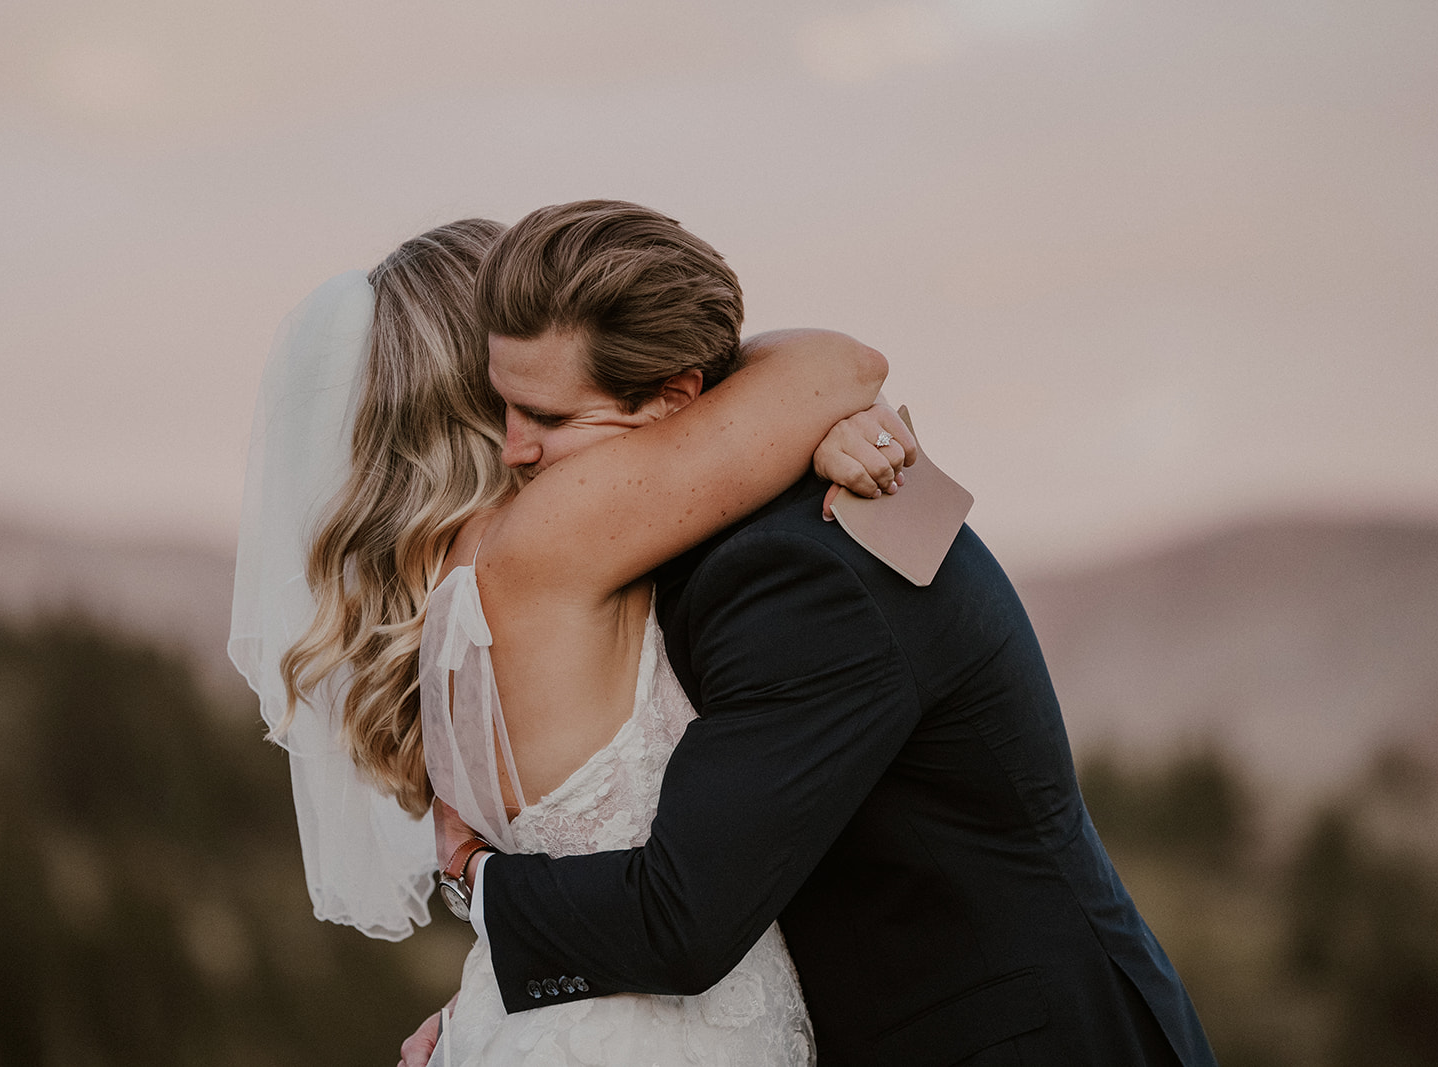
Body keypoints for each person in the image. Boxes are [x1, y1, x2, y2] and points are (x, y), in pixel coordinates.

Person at [415, 200, 1220, 1066]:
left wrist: (475, 878)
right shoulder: (735, 516)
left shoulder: (796, 576)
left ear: (677, 398)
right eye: (505, 408)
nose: (513, 450)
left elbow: (680, 918)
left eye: (550, 418)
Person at [229, 214, 902, 1065]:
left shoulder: (434, 590)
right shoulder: (555, 535)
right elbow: (838, 367)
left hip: (524, 1019)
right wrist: (839, 415)